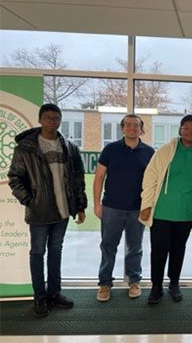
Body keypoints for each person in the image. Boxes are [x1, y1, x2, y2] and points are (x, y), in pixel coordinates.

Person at [8, 103, 86, 317]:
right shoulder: (26, 148)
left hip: (62, 212)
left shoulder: (69, 146)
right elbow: (15, 178)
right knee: (37, 253)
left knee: (56, 252)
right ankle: (39, 296)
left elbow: (78, 178)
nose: (53, 121)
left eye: (57, 118)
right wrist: (30, 201)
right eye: (49, 117)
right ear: (41, 119)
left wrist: (80, 205)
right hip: (39, 213)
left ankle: (54, 293)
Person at [140, 115, 192, 305]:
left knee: (178, 249)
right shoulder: (166, 150)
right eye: (186, 128)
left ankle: (174, 283)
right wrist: (146, 205)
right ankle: (156, 287)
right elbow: (150, 177)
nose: (190, 131)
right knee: (159, 250)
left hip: (188, 212)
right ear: (180, 130)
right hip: (162, 211)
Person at [94, 114, 155, 302]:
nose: (132, 128)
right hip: (112, 207)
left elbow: (153, 182)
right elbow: (99, 178)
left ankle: (134, 281)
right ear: (122, 128)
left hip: (138, 209)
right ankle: (105, 284)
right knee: (108, 246)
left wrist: (149, 206)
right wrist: (97, 203)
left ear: (141, 129)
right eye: (128, 125)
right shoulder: (110, 149)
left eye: (136, 125)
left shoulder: (149, 152)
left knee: (134, 248)